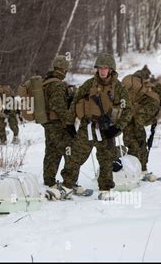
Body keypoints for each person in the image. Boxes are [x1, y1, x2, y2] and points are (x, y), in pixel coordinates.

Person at [56, 53, 132, 201]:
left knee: (106, 160)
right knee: (74, 157)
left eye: (106, 68)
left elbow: (128, 110)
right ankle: (67, 186)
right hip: (88, 127)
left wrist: (118, 128)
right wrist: (70, 123)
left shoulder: (119, 88)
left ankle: (105, 188)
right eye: (100, 68)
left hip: (107, 130)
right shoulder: (89, 84)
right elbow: (75, 102)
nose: (103, 71)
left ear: (111, 69)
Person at [42, 55, 92, 197]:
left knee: (52, 151)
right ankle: (69, 183)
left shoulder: (45, 82)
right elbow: (58, 106)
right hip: (59, 125)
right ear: (64, 69)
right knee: (71, 151)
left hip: (48, 124)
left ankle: (49, 180)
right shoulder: (58, 85)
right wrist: (69, 123)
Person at [122, 69, 161, 182]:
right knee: (138, 145)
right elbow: (142, 118)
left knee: (133, 145)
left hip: (126, 118)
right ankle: (136, 172)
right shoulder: (144, 90)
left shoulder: (127, 82)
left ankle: (138, 171)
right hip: (132, 120)